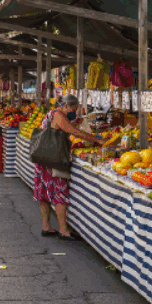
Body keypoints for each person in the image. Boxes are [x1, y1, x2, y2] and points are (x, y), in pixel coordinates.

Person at [35, 94, 105, 240]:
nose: (74, 111)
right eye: (74, 108)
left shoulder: (53, 114)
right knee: (59, 193)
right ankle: (63, 230)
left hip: (44, 157)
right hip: (53, 159)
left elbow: (66, 128)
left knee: (44, 193)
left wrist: (74, 122)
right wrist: (97, 140)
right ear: (66, 105)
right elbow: (75, 132)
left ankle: (46, 226)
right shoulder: (58, 115)